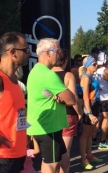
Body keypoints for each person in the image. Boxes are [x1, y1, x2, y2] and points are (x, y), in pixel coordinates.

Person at [27, 38, 76, 173]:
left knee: (62, 160)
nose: (60, 54)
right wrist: (62, 98)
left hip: (46, 126)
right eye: (58, 51)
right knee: (52, 166)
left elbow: (45, 95)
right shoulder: (48, 75)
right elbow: (72, 100)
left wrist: (59, 98)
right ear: (48, 53)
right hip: (49, 127)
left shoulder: (36, 70)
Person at [0, 32, 30, 173]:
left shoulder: (15, 82)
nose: (29, 54)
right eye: (25, 50)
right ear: (13, 52)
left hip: (18, 154)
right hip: (3, 157)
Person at [51, 49, 82, 172]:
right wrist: (80, 113)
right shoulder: (68, 75)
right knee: (64, 152)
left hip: (50, 114)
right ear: (66, 61)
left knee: (52, 152)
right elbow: (73, 98)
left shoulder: (46, 74)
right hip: (67, 114)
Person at [79, 56, 103, 170]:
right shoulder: (85, 77)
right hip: (89, 108)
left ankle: (89, 155)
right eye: (94, 64)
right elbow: (85, 97)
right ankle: (83, 159)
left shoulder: (91, 76)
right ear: (88, 66)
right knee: (85, 134)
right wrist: (89, 113)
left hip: (95, 106)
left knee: (90, 133)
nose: (96, 66)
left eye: (96, 64)